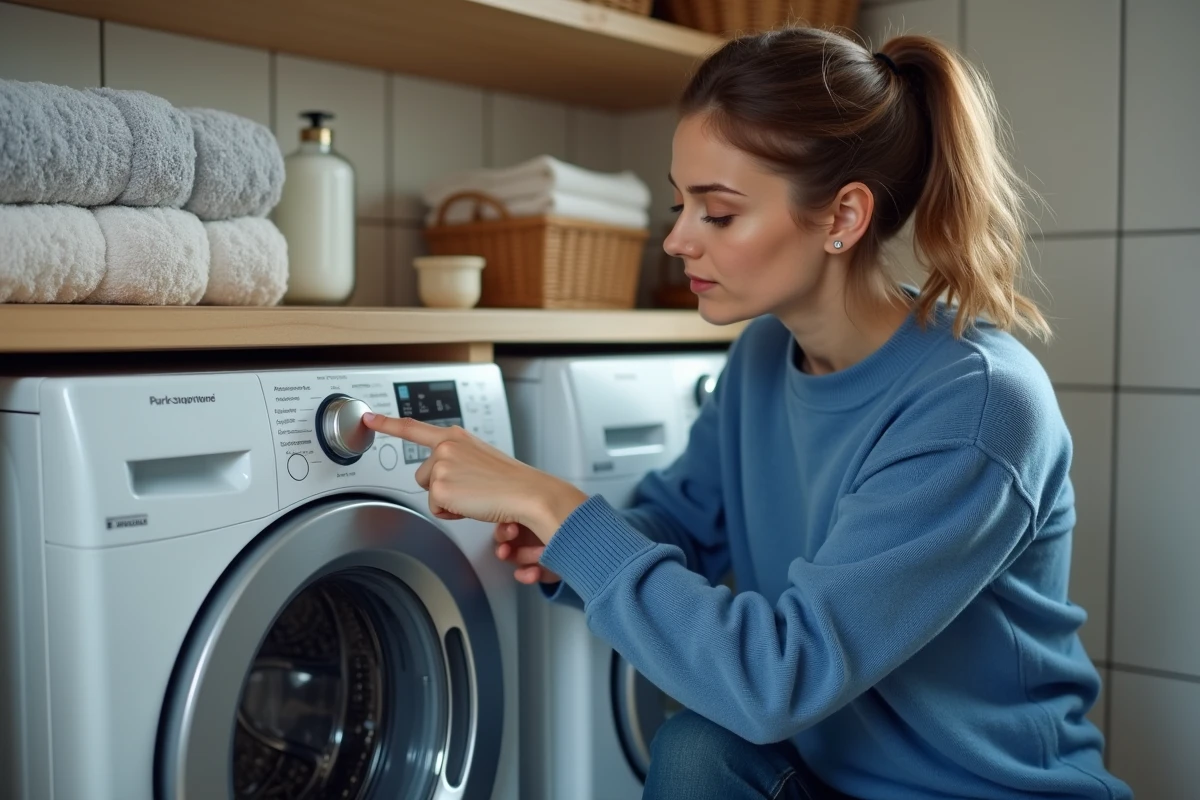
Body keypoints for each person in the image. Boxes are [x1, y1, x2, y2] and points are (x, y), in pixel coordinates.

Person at [363, 26, 1133, 800]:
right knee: (698, 745)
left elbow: (779, 681)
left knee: (715, 734)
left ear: (842, 218)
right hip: (826, 780)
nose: (675, 240)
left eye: (719, 214)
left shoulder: (979, 406)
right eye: (679, 204)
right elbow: (678, 531)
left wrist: (554, 504)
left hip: (983, 792)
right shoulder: (764, 356)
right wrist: (566, 544)